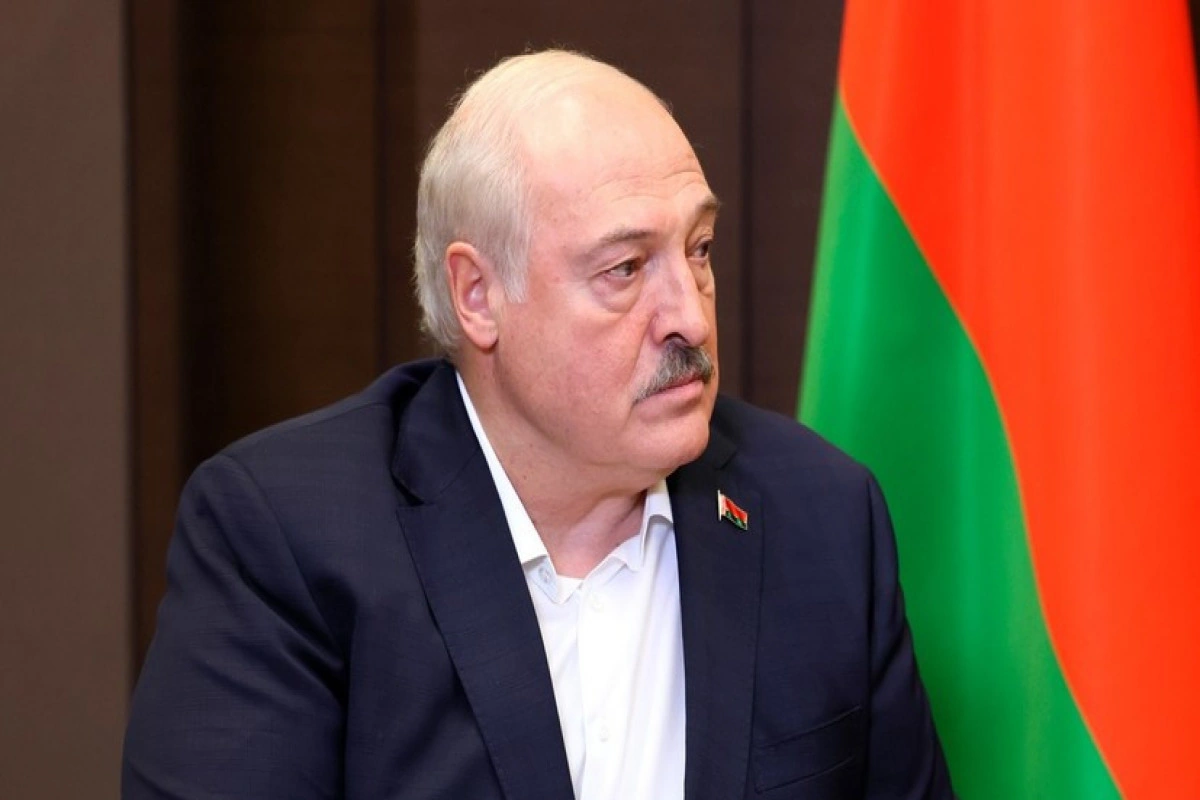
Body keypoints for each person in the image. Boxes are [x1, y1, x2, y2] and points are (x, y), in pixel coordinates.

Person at [123, 50, 953, 799]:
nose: (691, 319)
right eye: (625, 268)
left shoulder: (820, 516)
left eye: (698, 249)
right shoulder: (291, 538)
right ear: (478, 296)